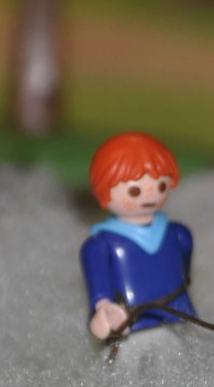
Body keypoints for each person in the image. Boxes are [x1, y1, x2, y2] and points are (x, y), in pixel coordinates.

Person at [80, 132, 196, 340]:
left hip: (180, 317)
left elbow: (185, 273)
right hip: (131, 326)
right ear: (103, 191)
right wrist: (104, 312)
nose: (150, 196)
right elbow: (100, 292)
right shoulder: (100, 245)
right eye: (134, 191)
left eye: (161, 186)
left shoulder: (178, 233)